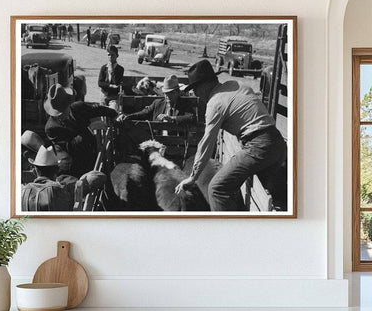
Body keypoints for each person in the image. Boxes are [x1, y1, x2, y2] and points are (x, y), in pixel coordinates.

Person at [175, 59, 286, 211]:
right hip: (278, 143)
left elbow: (207, 143)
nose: (195, 94)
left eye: (194, 88)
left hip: (259, 146)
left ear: (203, 86)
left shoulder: (215, 103)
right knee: (267, 193)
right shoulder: (235, 85)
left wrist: (193, 177)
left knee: (216, 188)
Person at [44, 83, 117, 178]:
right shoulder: (51, 128)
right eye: (58, 113)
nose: (61, 115)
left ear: (69, 105)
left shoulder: (77, 108)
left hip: (92, 153)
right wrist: (90, 128)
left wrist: (114, 114)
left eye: (64, 110)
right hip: (77, 165)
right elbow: (70, 147)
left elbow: (97, 109)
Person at [21, 145, 107, 211]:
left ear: (35, 170)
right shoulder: (61, 190)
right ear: (57, 170)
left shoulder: (23, 191)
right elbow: (100, 176)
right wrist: (82, 179)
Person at [117, 74, 195, 124]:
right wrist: (127, 116)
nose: (167, 96)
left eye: (170, 93)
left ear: (177, 92)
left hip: (177, 144)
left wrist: (172, 119)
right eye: (165, 93)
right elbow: (143, 113)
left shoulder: (184, 104)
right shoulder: (158, 103)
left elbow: (192, 117)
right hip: (158, 142)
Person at [98, 45, 124, 111]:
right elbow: (100, 83)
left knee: (113, 111)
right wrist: (110, 85)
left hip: (114, 97)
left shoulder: (120, 69)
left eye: (112, 55)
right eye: (109, 55)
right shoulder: (104, 68)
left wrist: (112, 72)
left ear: (117, 56)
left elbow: (117, 83)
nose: (110, 57)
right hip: (104, 95)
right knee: (102, 113)